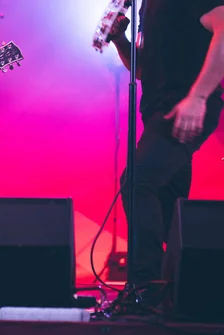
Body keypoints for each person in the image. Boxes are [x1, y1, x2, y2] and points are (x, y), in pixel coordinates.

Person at [108, 1, 224, 303]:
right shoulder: (148, 6)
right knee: (170, 204)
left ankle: (145, 288)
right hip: (158, 112)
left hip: (185, 107)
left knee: (138, 181)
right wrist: (121, 41)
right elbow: (144, 68)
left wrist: (198, 96)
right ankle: (189, 288)